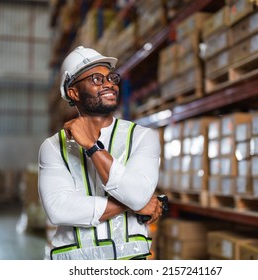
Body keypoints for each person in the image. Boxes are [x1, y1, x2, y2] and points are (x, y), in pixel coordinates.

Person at [38, 46, 163, 260]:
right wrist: (134, 204)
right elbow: (58, 209)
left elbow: (139, 194)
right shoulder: (52, 147)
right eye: (96, 79)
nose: (109, 85)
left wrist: (91, 146)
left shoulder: (142, 137)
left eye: (111, 78)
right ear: (73, 92)